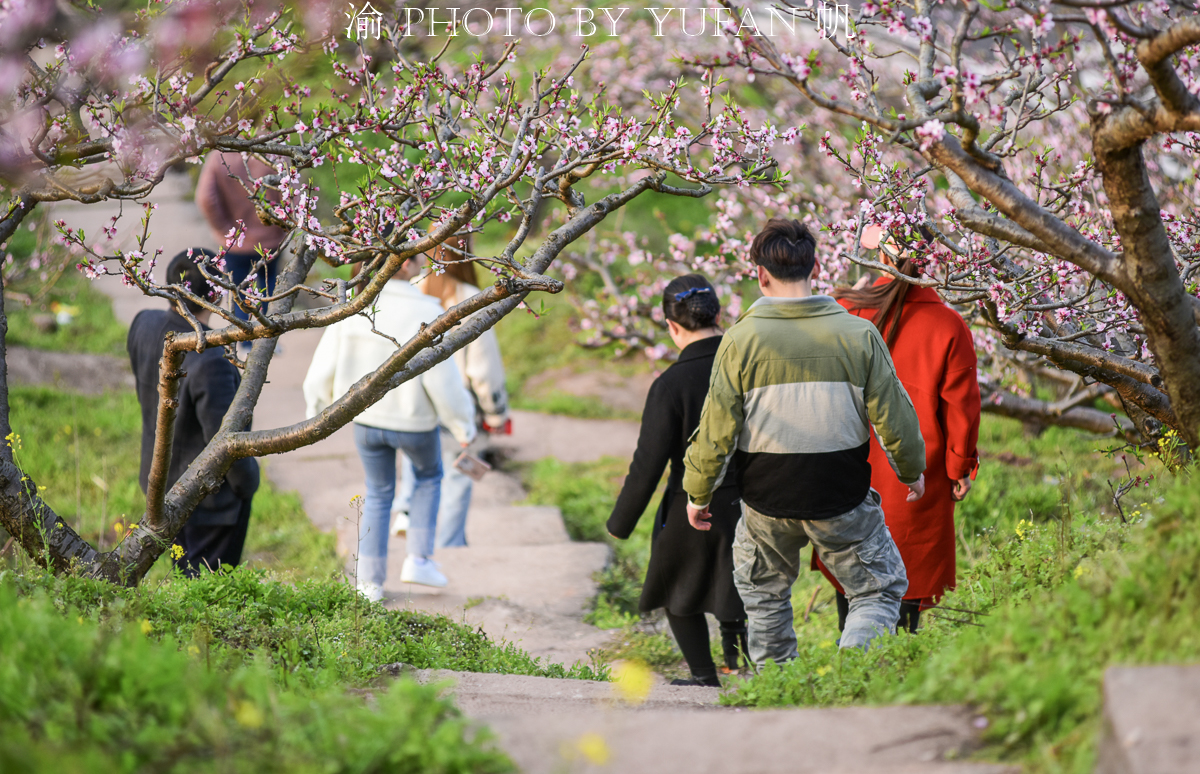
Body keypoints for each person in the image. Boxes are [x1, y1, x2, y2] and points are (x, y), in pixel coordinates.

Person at [682, 218, 927, 667]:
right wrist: (910, 471)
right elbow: (896, 418)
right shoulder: (858, 335)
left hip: (766, 499)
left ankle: (778, 689)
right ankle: (852, 675)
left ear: (761, 274)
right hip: (841, 496)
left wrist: (698, 493)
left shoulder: (739, 341)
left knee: (763, 592)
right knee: (877, 588)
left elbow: (716, 430)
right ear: (814, 267)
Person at [814, 224, 981, 633]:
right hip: (917, 474)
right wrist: (960, 466)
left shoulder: (844, 308)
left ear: (884, 258)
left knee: (851, 563)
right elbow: (962, 406)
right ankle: (895, 666)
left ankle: (855, 659)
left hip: (848, 465)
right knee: (906, 567)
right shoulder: (948, 324)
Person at [302, 252, 476, 600]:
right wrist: (463, 427)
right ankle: (419, 559)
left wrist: (316, 408)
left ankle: (369, 582)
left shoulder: (355, 308)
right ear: (408, 266)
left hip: (366, 418)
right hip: (415, 421)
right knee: (428, 478)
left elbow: (322, 367)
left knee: (379, 492)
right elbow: (444, 383)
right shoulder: (426, 310)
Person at [606, 274, 748, 688]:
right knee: (738, 588)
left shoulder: (669, 385)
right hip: (752, 498)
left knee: (677, 591)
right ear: (719, 315)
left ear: (671, 325)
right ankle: (737, 666)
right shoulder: (748, 366)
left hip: (692, 506)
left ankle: (704, 675)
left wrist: (621, 521)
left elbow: (647, 462)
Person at [127, 249, 260, 577]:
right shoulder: (208, 360)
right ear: (215, 293)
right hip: (208, 503)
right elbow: (226, 442)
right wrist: (247, 484)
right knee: (206, 588)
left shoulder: (143, 324)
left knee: (184, 579)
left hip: (159, 484)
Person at [391, 238, 510, 547]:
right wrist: (496, 413)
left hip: (413, 403)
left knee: (419, 470)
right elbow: (483, 369)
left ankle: (410, 520)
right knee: (457, 478)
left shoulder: (412, 290)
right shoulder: (471, 299)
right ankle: (449, 544)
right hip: (458, 408)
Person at [195, 151, 286, 327]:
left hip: (235, 243)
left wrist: (224, 229)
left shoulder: (219, 156)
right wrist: (284, 224)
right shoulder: (275, 151)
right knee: (269, 289)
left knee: (239, 292)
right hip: (271, 239)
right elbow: (291, 195)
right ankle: (269, 334)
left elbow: (205, 198)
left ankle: (244, 336)